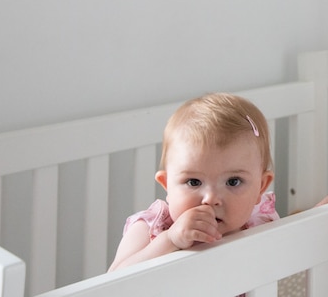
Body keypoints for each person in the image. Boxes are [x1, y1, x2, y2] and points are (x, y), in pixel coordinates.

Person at [109, 93, 277, 271]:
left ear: (260, 187)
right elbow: (110, 284)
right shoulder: (150, 228)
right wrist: (170, 240)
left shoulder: (261, 224)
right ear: (167, 184)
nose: (211, 199)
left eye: (233, 181)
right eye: (194, 182)